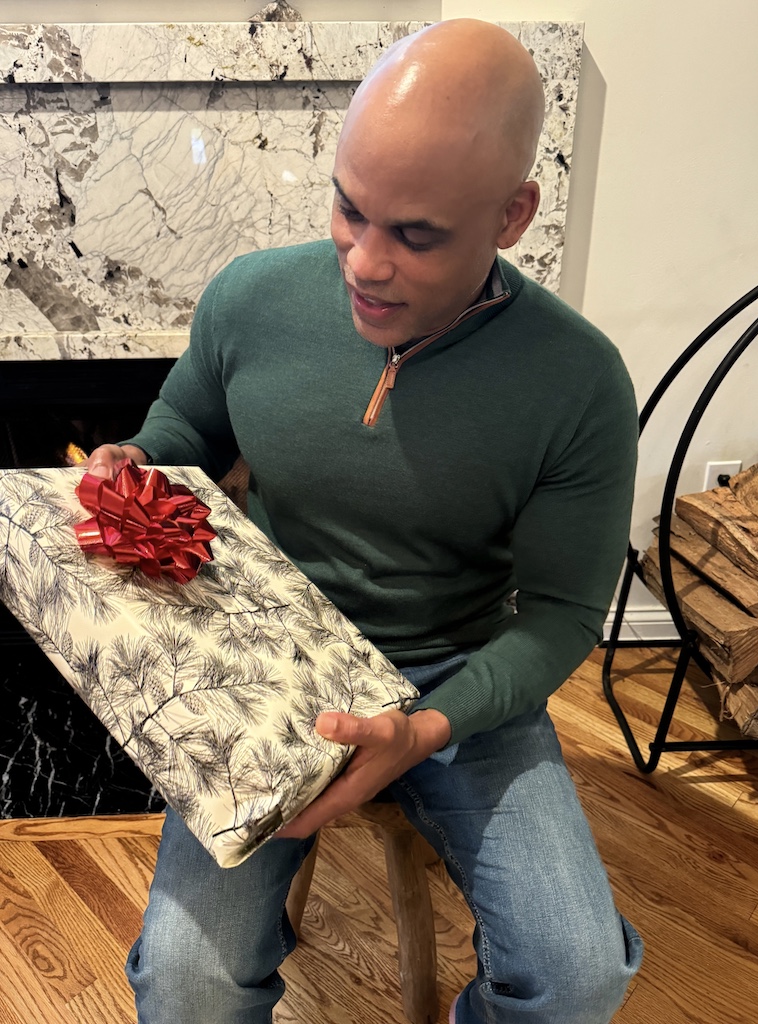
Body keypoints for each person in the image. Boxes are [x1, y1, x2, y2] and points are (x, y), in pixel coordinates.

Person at [88, 18, 642, 1024]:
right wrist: (139, 461)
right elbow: (186, 430)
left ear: (513, 216)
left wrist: (426, 725)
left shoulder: (579, 382)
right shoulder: (250, 299)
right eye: (350, 209)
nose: (365, 263)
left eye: (416, 235)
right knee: (186, 982)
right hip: (267, 667)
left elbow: (561, 616)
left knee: (577, 974)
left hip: (461, 677)